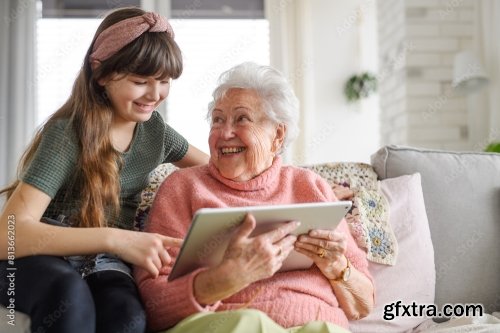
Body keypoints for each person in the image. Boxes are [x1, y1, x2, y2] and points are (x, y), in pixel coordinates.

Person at [0, 7, 208, 333]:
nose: (155, 95)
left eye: (164, 81)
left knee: (127, 317)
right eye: (140, 81)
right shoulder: (66, 134)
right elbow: (8, 236)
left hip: (105, 264)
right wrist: (116, 239)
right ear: (102, 75)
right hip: (36, 259)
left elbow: (220, 173)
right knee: (68, 294)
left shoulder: (157, 133)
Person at [135, 62, 374, 333]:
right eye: (218, 119)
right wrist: (229, 277)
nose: (225, 133)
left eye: (241, 119)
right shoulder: (183, 188)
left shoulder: (311, 186)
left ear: (277, 134)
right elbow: (154, 305)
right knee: (252, 323)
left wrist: (336, 265)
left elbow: (363, 304)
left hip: (316, 324)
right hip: (228, 324)